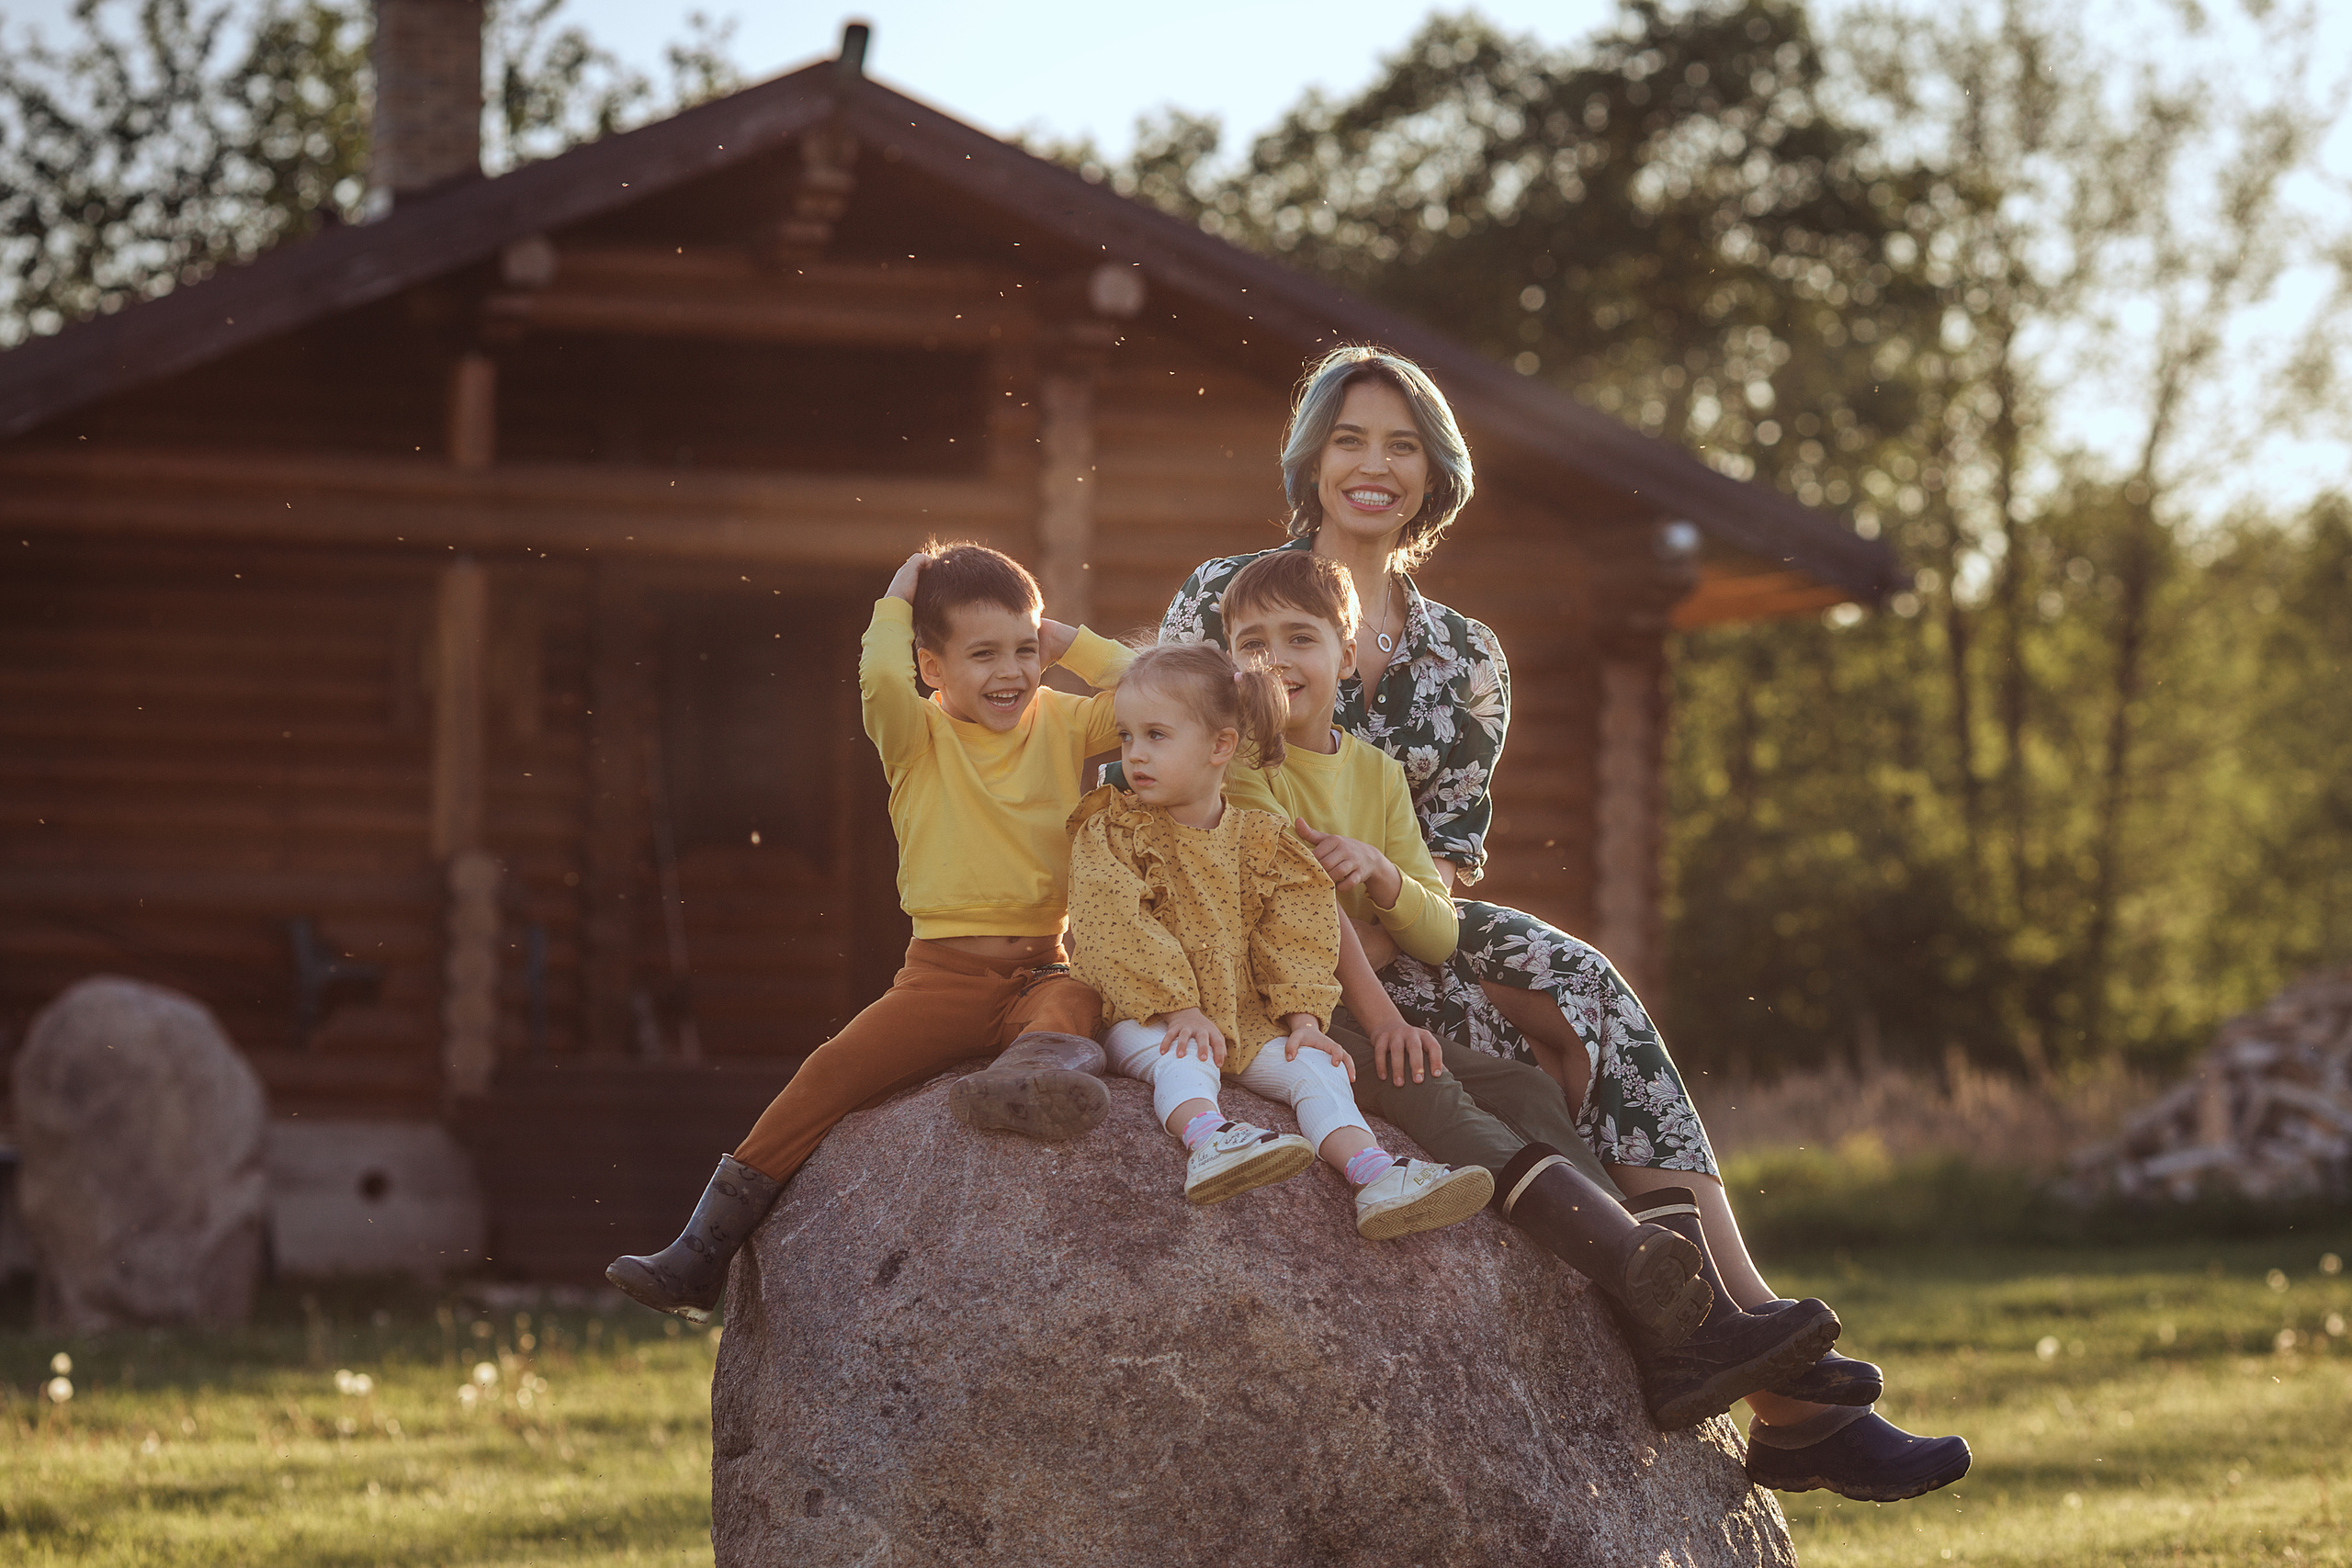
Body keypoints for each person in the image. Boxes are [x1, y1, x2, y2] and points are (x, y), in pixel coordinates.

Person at [1161, 345, 1970, 1500]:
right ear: (1311, 459)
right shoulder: (1224, 596)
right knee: (1521, 1057)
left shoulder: (1467, 657)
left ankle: (1751, 1322)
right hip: (1259, 924)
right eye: (1348, 439)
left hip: (1404, 915)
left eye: (1400, 445)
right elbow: (1165, 756)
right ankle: (1780, 1391)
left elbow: (1447, 847)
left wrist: (1395, 918)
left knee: (1580, 981)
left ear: (1434, 475)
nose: (1372, 466)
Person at [1214, 545, 1841, 1423]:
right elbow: (1304, 921)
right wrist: (1385, 1011)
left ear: (1346, 653)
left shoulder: (1376, 776)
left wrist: (1386, 881)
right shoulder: (1240, 770)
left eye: (1298, 639)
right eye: (1250, 644)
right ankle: (1659, 1297)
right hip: (1299, 1013)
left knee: (1522, 1085)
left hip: (1371, 982)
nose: (1274, 663)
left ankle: (1685, 1324)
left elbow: (1433, 928)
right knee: (1430, 1087)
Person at [606, 543, 1130, 1322]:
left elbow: (1143, 696)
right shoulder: (913, 735)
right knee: (828, 1073)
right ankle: (700, 1251)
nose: (1011, 672)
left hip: (1039, 969)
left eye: (1024, 650)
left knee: (1077, 1003)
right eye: (982, 654)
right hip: (940, 981)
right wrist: (896, 594)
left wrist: (1068, 641)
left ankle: (1025, 1082)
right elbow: (880, 675)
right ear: (931, 666)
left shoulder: (1061, 719)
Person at [1069, 640, 1491, 1239]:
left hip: (1246, 1017)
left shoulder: (1264, 838)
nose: (1134, 754)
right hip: (1147, 1015)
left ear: (1221, 746)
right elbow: (1113, 923)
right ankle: (1209, 1139)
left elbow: (1297, 927)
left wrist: (1304, 1020)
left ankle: (1374, 1173)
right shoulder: (1113, 829)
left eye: (1156, 736)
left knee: (1317, 1070)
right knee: (1182, 1057)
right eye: (1128, 735)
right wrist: (1180, 1008)